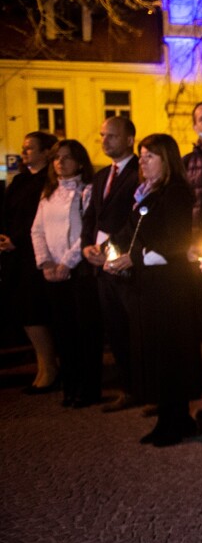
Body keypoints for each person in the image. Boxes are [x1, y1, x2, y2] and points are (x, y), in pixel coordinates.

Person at [106, 134, 202, 447]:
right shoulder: (146, 193)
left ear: (167, 159)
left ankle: (176, 420)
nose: (143, 162)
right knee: (154, 351)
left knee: (169, 352)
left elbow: (176, 242)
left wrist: (132, 258)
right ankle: (168, 416)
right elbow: (130, 231)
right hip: (148, 286)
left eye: (150, 156)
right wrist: (105, 248)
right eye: (142, 156)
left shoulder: (174, 193)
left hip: (169, 286)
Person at [31, 140, 102, 408]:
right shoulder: (48, 193)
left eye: (67, 158)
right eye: (56, 158)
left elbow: (87, 231)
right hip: (53, 274)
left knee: (86, 331)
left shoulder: (87, 191)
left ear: (80, 162)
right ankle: (70, 385)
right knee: (64, 332)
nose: (60, 162)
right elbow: (37, 230)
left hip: (79, 271)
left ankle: (89, 387)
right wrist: (46, 262)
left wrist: (67, 263)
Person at [81, 117, 141, 412]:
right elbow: (91, 216)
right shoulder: (100, 176)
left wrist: (108, 249)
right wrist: (86, 247)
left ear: (129, 139)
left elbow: (135, 220)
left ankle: (144, 386)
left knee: (135, 329)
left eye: (112, 136)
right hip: (100, 265)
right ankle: (128, 386)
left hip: (128, 263)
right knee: (115, 329)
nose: (105, 141)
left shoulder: (140, 171)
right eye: (103, 135)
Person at [0, 131, 59, 393]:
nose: (25, 153)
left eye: (30, 149)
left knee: (36, 311)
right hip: (14, 253)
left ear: (47, 152)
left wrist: (18, 239)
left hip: (33, 253)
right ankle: (42, 367)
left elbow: (41, 220)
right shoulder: (20, 181)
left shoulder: (49, 182)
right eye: (24, 149)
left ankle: (50, 368)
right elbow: (7, 212)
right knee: (24, 313)